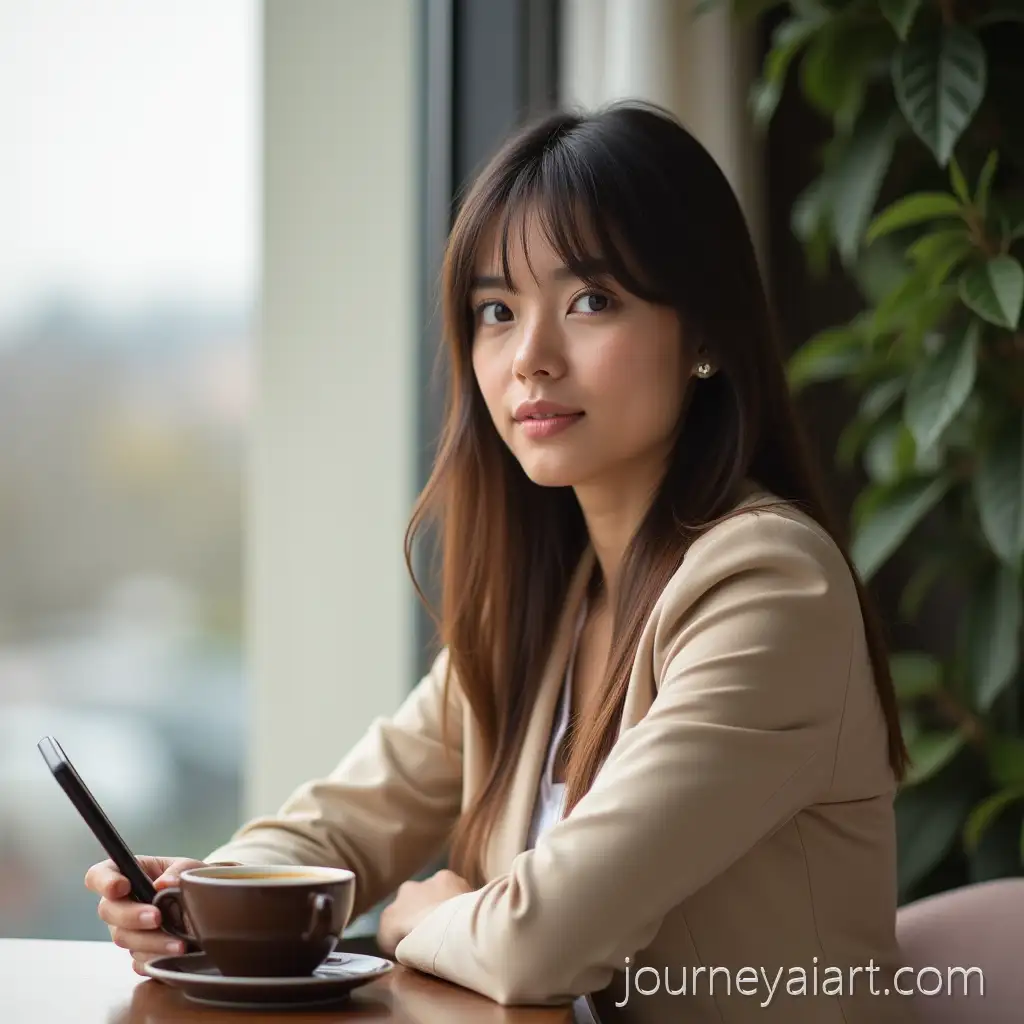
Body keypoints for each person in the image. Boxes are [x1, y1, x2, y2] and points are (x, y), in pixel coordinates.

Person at [86, 102, 916, 1023]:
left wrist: (421, 914)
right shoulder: (552, 606)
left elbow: (538, 941)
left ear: (708, 338)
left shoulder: (768, 587)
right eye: (496, 310)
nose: (530, 358)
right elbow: (345, 821)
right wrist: (206, 899)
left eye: (591, 301)